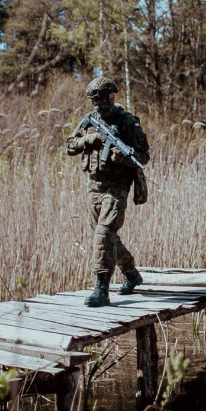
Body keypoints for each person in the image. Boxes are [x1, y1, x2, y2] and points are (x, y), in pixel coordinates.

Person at [66, 76, 150, 307]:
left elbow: (143, 157)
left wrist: (123, 156)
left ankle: (101, 288)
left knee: (104, 232)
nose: (99, 103)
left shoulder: (127, 121)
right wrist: (90, 139)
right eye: (95, 99)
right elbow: (69, 145)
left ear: (112, 96)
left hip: (118, 187)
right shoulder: (90, 120)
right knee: (105, 236)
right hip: (94, 186)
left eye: (103, 98)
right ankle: (131, 273)